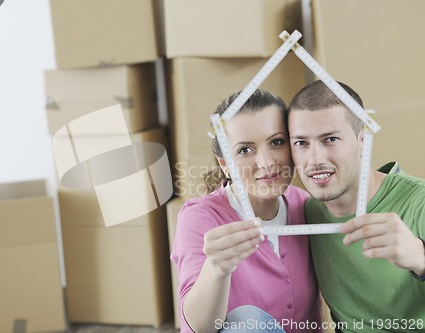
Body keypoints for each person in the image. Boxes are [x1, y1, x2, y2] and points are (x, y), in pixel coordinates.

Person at [171, 89, 322, 333]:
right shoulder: (201, 218)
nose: (266, 162)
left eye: (276, 142)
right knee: (245, 321)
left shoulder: (305, 205)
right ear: (224, 164)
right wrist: (217, 269)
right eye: (245, 150)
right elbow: (201, 327)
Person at [288, 80, 425, 332]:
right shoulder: (306, 213)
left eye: (330, 139)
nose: (315, 160)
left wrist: (420, 257)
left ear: (362, 140)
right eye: (301, 143)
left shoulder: (419, 203)